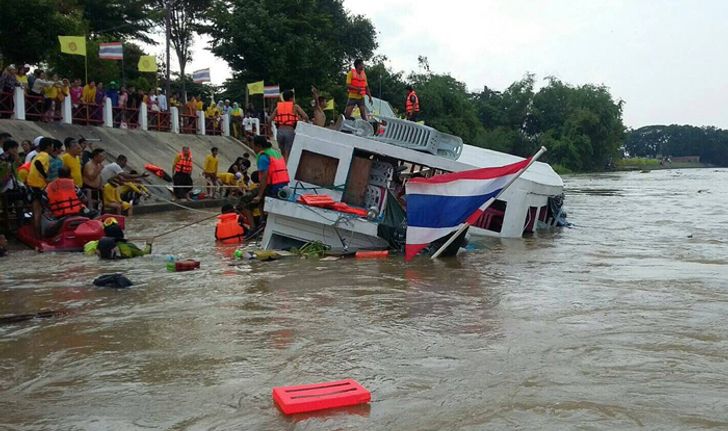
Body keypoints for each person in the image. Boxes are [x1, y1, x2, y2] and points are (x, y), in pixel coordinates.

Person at [250, 135, 290, 208]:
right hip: (284, 184)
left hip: (273, 186)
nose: (253, 149)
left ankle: (262, 218)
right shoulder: (275, 152)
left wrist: (259, 196)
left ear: (258, 146)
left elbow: (264, 177)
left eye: (253, 147)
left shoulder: (263, 156)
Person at [26, 138, 54, 236]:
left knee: (36, 210)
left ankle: (36, 233)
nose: (53, 148)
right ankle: (38, 235)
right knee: (39, 211)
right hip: (37, 186)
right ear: (48, 147)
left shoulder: (38, 154)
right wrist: (46, 177)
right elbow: (38, 164)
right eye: (52, 146)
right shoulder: (45, 155)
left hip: (32, 185)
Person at [271, 90, 309, 160]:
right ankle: (287, 169)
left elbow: (270, 119)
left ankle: (283, 166)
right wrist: (303, 125)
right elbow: (306, 117)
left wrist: (269, 129)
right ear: (291, 98)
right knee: (288, 153)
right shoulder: (295, 107)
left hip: (279, 132)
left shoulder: (278, 107)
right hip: (290, 131)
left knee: (282, 153)